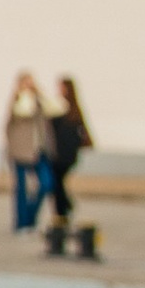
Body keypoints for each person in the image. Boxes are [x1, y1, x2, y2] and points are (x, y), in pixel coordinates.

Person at [47, 75, 93, 225]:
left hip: (63, 153)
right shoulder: (67, 106)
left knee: (57, 182)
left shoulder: (65, 107)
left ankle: (62, 210)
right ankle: (64, 208)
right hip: (63, 152)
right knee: (57, 182)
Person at [7, 73, 49, 233]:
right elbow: (18, 114)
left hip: (39, 150)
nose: (30, 86)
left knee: (46, 183)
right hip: (21, 151)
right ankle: (22, 223)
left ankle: (31, 217)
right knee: (22, 188)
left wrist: (39, 94)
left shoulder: (38, 101)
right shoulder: (18, 101)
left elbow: (52, 108)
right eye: (26, 83)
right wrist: (23, 95)